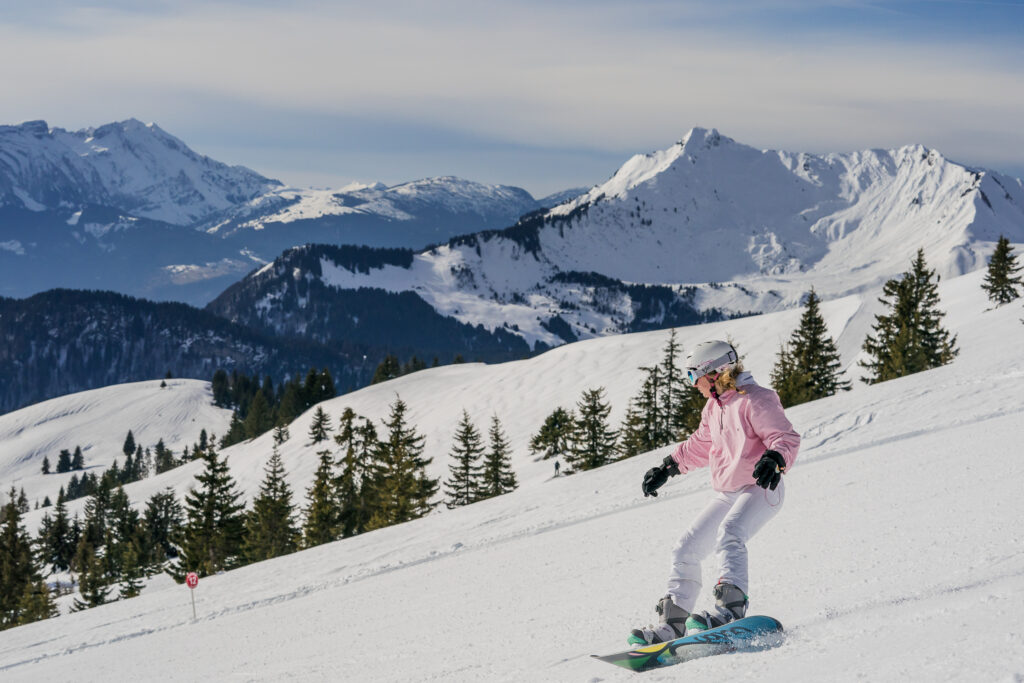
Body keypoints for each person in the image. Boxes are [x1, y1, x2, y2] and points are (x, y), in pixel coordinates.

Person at [629, 339, 800, 646]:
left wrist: (775, 459)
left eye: (694, 376)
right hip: (728, 490)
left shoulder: (756, 399)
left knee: (730, 532)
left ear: (714, 372)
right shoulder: (715, 407)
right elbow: (701, 444)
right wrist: (668, 468)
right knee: (685, 547)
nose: (692, 384)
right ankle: (672, 623)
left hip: (761, 486)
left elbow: (784, 437)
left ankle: (732, 609)